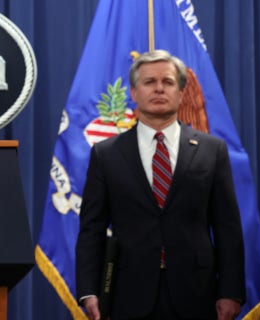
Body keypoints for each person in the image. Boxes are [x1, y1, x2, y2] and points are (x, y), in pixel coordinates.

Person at [75, 50, 245, 319]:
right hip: (127, 294)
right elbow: (91, 229)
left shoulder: (212, 150)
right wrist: (88, 290)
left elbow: (228, 227)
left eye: (167, 82)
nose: (158, 89)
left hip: (198, 294)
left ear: (180, 92)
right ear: (133, 92)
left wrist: (231, 291)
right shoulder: (106, 154)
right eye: (149, 82)